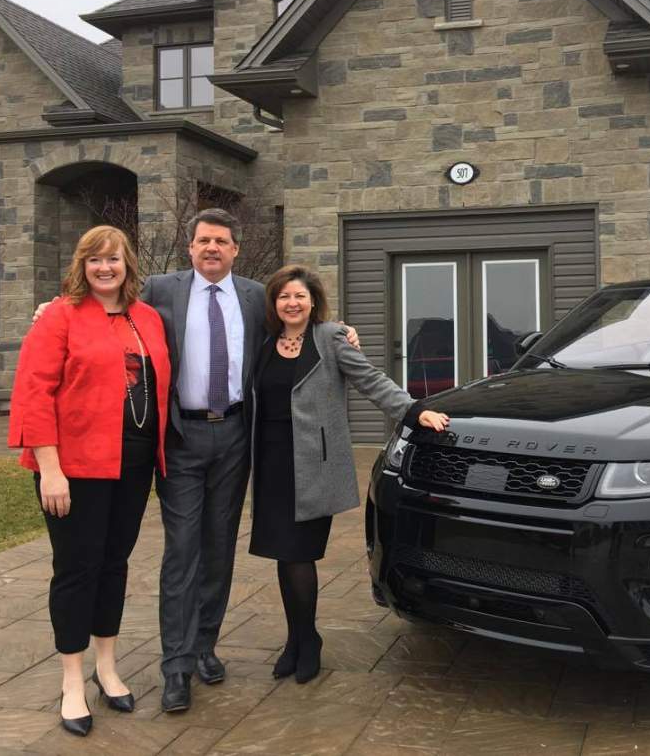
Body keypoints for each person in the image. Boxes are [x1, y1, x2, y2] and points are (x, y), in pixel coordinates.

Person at [32, 208, 359, 711]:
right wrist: (51, 307)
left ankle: (206, 644)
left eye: (222, 242)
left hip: (234, 436)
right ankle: (177, 665)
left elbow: (299, 321)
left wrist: (339, 331)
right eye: (203, 240)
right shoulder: (161, 290)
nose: (212, 248)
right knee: (181, 552)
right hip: (180, 436)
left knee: (219, 547)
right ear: (190, 247)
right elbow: (101, 300)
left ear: (235, 250)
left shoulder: (255, 296)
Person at [249, 264, 449, 683]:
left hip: (313, 464)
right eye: (284, 296)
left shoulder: (330, 338)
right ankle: (294, 639)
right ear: (275, 303)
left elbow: (372, 380)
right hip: (271, 464)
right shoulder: (265, 342)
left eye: (299, 296)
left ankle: (309, 641)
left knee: (300, 554)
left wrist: (414, 410)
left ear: (313, 301)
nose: (292, 303)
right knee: (284, 557)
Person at [9, 226, 170, 737]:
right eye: (96, 259)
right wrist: (50, 468)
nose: (106, 267)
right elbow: (34, 394)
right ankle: (72, 680)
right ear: (83, 265)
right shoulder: (59, 316)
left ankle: (107, 666)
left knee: (114, 565)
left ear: (128, 265)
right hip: (74, 468)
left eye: (114, 259)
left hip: (134, 464)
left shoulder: (147, 319)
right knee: (76, 570)